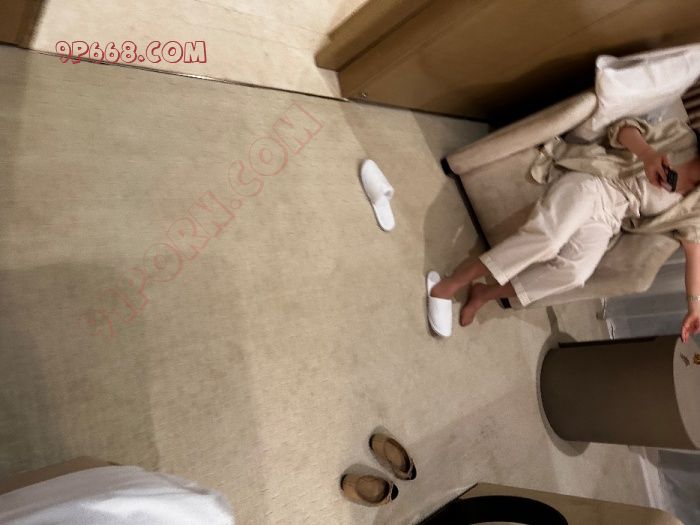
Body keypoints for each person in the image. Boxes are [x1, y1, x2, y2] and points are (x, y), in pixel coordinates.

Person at [429, 117, 700, 342]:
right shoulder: (681, 137)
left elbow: (694, 251)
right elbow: (625, 128)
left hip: (611, 217)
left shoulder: (696, 205)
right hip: (597, 181)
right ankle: (454, 281)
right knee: (549, 240)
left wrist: (694, 307)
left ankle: (485, 293)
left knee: (575, 273)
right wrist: (648, 155)